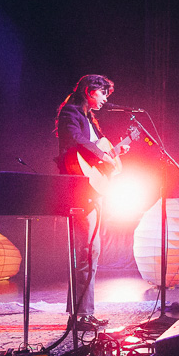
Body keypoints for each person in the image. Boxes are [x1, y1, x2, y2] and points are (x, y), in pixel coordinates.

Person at [55, 74, 120, 326]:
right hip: (78, 188)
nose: (105, 99)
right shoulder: (70, 112)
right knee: (85, 250)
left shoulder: (89, 119)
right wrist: (102, 156)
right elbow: (75, 140)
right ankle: (80, 316)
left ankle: (85, 312)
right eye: (103, 93)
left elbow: (93, 146)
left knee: (91, 251)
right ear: (89, 90)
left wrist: (113, 154)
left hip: (92, 187)